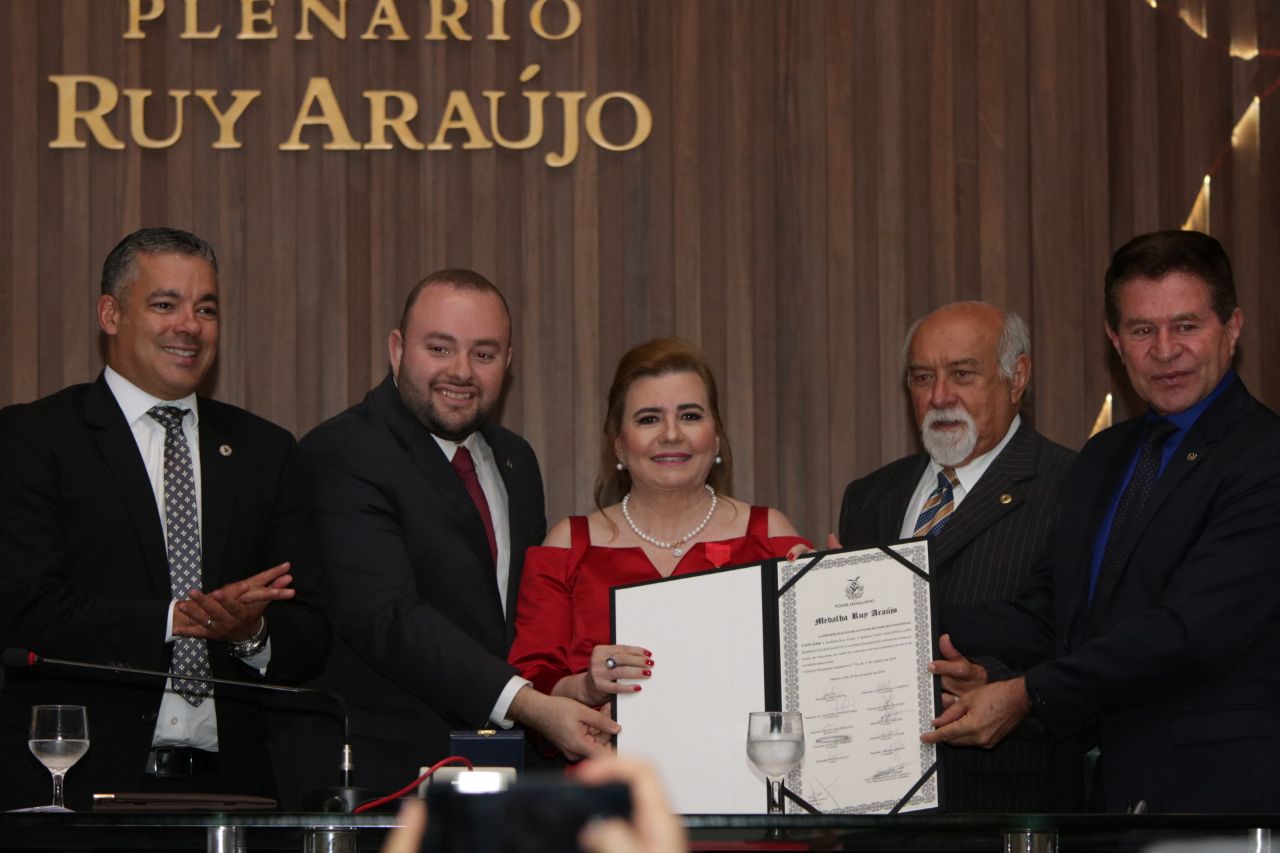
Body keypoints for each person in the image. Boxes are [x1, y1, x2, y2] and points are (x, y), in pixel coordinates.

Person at [926, 230, 1280, 812]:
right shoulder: (1102, 458)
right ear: (1116, 341)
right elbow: (1049, 615)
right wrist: (895, 603)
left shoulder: (1264, 457)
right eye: (1143, 330)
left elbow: (1186, 634)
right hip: (1097, 801)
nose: (1164, 350)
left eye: (1187, 326)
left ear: (1232, 328)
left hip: (1214, 802)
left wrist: (1025, 694)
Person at [0, 227, 329, 809]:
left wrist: (249, 632)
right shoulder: (34, 438)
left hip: (233, 793)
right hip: (76, 786)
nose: (190, 325)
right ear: (110, 314)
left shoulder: (265, 451)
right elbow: (25, 609)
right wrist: (179, 618)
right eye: (165, 304)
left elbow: (310, 631)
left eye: (206, 308)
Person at [284, 270, 616, 804]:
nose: (461, 372)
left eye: (484, 354)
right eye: (439, 348)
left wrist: (566, 688)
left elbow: (519, 622)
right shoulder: (343, 452)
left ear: (508, 363)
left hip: (505, 780)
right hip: (386, 782)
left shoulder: (516, 459)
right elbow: (388, 618)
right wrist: (530, 704)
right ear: (397, 350)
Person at [836, 302, 1076, 812]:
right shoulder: (868, 497)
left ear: (1018, 377)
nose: (940, 397)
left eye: (962, 374)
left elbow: (1068, 638)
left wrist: (991, 679)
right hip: (876, 815)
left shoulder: (1072, 486)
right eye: (922, 378)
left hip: (1005, 805)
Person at [508, 337, 808, 710]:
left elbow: (811, 676)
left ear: (715, 438)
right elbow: (530, 687)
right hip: (607, 766)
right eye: (649, 419)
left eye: (690, 416)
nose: (671, 434)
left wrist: (829, 604)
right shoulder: (568, 545)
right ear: (619, 444)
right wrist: (586, 687)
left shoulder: (770, 537)